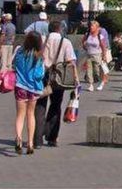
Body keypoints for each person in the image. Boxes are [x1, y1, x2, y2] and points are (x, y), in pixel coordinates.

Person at [34, 20, 76, 148]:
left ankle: (37, 138)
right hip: (58, 76)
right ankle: (52, 137)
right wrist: (75, 78)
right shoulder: (65, 42)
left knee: (40, 105)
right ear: (59, 29)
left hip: (42, 75)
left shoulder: (42, 40)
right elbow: (70, 61)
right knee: (56, 105)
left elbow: (35, 56)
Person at [11, 31, 46, 154]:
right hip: (33, 87)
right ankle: (30, 143)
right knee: (31, 114)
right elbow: (40, 74)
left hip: (20, 85)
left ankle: (18, 138)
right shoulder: (39, 55)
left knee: (20, 115)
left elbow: (12, 64)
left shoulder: (19, 50)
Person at [81, 21, 109, 91]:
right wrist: (85, 47)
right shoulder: (87, 34)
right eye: (90, 26)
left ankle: (101, 82)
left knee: (97, 71)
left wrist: (104, 55)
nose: (91, 27)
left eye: (92, 26)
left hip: (97, 55)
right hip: (89, 55)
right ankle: (91, 85)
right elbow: (82, 41)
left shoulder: (100, 36)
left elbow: (103, 46)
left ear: (97, 27)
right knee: (89, 71)